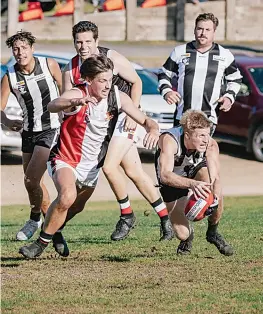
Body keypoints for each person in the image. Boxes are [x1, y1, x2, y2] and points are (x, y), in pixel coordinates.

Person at [19, 54, 162, 259]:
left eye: (110, 79)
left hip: (92, 166)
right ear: (89, 80)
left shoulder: (117, 96)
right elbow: (53, 105)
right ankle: (40, 244)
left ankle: (55, 231)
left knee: (76, 206)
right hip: (65, 158)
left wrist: (153, 130)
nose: (107, 85)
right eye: (102, 80)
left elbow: (146, 120)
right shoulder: (78, 92)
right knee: (67, 196)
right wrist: (74, 101)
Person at [63, 21, 174, 242]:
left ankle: (126, 215)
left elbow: (137, 82)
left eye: (87, 41)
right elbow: (67, 104)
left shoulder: (111, 57)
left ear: (96, 41)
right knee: (134, 173)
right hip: (100, 126)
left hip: (122, 117)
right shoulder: (70, 68)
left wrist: (134, 112)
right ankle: (165, 220)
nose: (83, 46)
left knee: (109, 167)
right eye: (78, 42)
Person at [158, 12, 242, 252]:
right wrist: (167, 91)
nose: (202, 33)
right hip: (182, 125)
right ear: (194, 29)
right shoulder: (180, 52)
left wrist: (229, 96)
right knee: (181, 227)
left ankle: (213, 232)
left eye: (207, 29)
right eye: (199, 29)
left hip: (207, 124)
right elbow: (164, 74)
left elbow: (236, 79)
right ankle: (185, 236)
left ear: (214, 32)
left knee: (213, 184)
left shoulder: (224, 55)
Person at [0, 31, 65, 252]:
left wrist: (70, 110)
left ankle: (39, 221)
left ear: (32, 49)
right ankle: (43, 223)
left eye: (24, 48)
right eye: (16, 49)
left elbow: (66, 90)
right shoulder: (9, 75)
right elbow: (0, 109)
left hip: (51, 128)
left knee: (32, 179)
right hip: (28, 131)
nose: (20, 53)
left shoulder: (49, 65)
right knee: (31, 183)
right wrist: (7, 120)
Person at [155, 110, 234, 256]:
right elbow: (165, 175)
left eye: (207, 134)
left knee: (210, 183)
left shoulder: (210, 145)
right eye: (201, 136)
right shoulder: (170, 140)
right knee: (182, 233)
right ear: (187, 135)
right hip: (173, 178)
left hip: (195, 168)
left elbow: (215, 177)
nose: (206, 139)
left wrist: (214, 199)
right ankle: (187, 239)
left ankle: (212, 232)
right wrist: (192, 184)